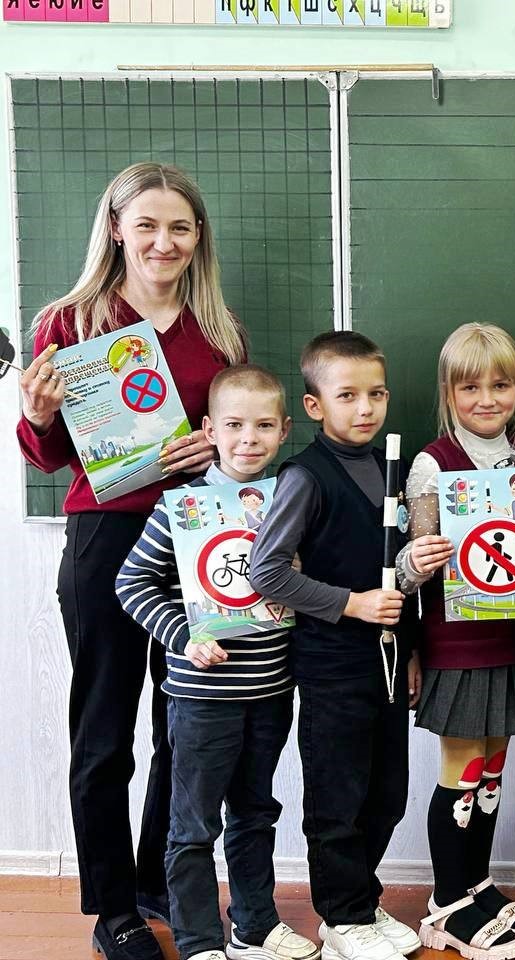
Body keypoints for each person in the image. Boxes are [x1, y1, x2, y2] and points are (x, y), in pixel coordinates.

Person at [16, 162, 245, 960]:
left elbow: (240, 445)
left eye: (179, 227)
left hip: (196, 535)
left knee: (186, 725)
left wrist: (217, 449)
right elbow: (49, 458)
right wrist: (38, 414)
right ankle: (112, 907)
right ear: (116, 229)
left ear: (198, 235)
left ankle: (159, 881)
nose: (163, 242)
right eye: (146, 225)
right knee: (104, 729)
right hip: (107, 538)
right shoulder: (69, 322)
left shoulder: (219, 331)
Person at [115, 365, 318, 960]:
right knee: (194, 823)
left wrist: (302, 574)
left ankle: (254, 926)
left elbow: (308, 584)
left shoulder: (291, 501)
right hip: (203, 694)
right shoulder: (182, 506)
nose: (248, 439)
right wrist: (183, 637)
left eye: (263, 426)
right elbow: (131, 582)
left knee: (256, 812)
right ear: (209, 430)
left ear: (285, 430)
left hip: (272, 690)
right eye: (233, 426)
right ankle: (199, 940)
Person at [247, 332, 420, 960]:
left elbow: (398, 575)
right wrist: (352, 604)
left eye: (377, 394)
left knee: (387, 792)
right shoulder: (305, 475)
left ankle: (361, 900)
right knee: (338, 797)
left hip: (389, 661)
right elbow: (267, 572)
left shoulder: (393, 467)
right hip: (331, 664)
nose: (365, 407)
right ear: (315, 406)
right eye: (347, 395)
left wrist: (412, 650)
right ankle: (341, 916)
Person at [396, 323, 515, 960]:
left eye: (500, 385)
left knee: (491, 772)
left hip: (514, 641)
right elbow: (407, 566)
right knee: (461, 772)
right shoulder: (434, 463)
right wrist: (417, 561)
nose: (486, 399)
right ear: (448, 392)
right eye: (469, 387)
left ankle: (475, 883)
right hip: (457, 645)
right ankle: (447, 903)